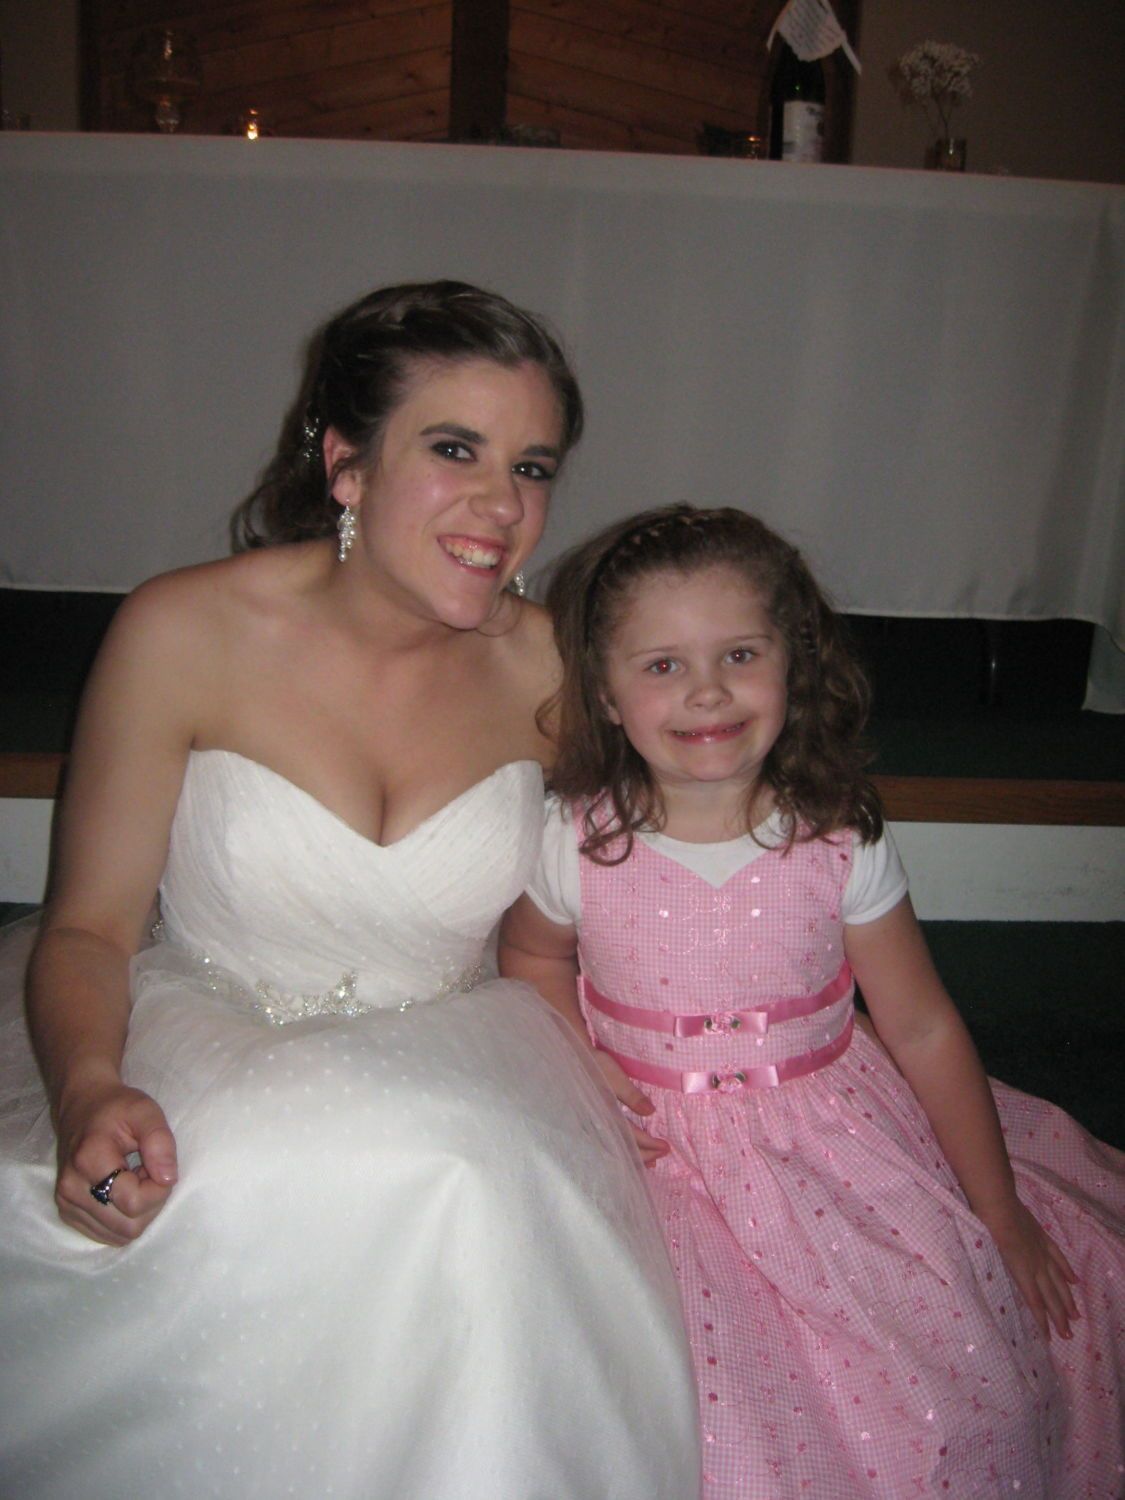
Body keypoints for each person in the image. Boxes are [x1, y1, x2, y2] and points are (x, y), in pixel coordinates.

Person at [0, 284, 700, 1499]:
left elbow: (681, 846)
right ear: (345, 464)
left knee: (453, 1182)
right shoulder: (183, 631)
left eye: (532, 467)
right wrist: (89, 1090)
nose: (503, 506)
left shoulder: (550, 667)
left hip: (461, 1072)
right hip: (203, 1044)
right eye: (453, 450)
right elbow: (92, 928)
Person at [499, 503, 1125, 1500]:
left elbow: (920, 1024)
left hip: (832, 1137)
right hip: (654, 1153)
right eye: (661, 665)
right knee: (688, 1393)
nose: (707, 690)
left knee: (945, 1379)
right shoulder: (572, 838)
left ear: (793, 665)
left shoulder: (838, 836)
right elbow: (531, 954)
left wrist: (998, 1212)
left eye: (740, 654)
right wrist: (580, 1053)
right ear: (607, 697)